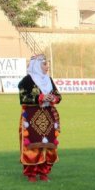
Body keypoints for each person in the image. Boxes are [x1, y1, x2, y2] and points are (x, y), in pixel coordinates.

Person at [18, 54, 62, 182]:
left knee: (48, 145)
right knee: (32, 144)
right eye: (44, 64)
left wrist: (53, 98)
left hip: (48, 116)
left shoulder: (48, 80)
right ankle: (31, 174)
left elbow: (58, 95)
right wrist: (40, 98)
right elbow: (23, 98)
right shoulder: (26, 80)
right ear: (37, 65)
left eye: (47, 64)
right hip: (31, 117)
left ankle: (44, 172)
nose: (47, 66)